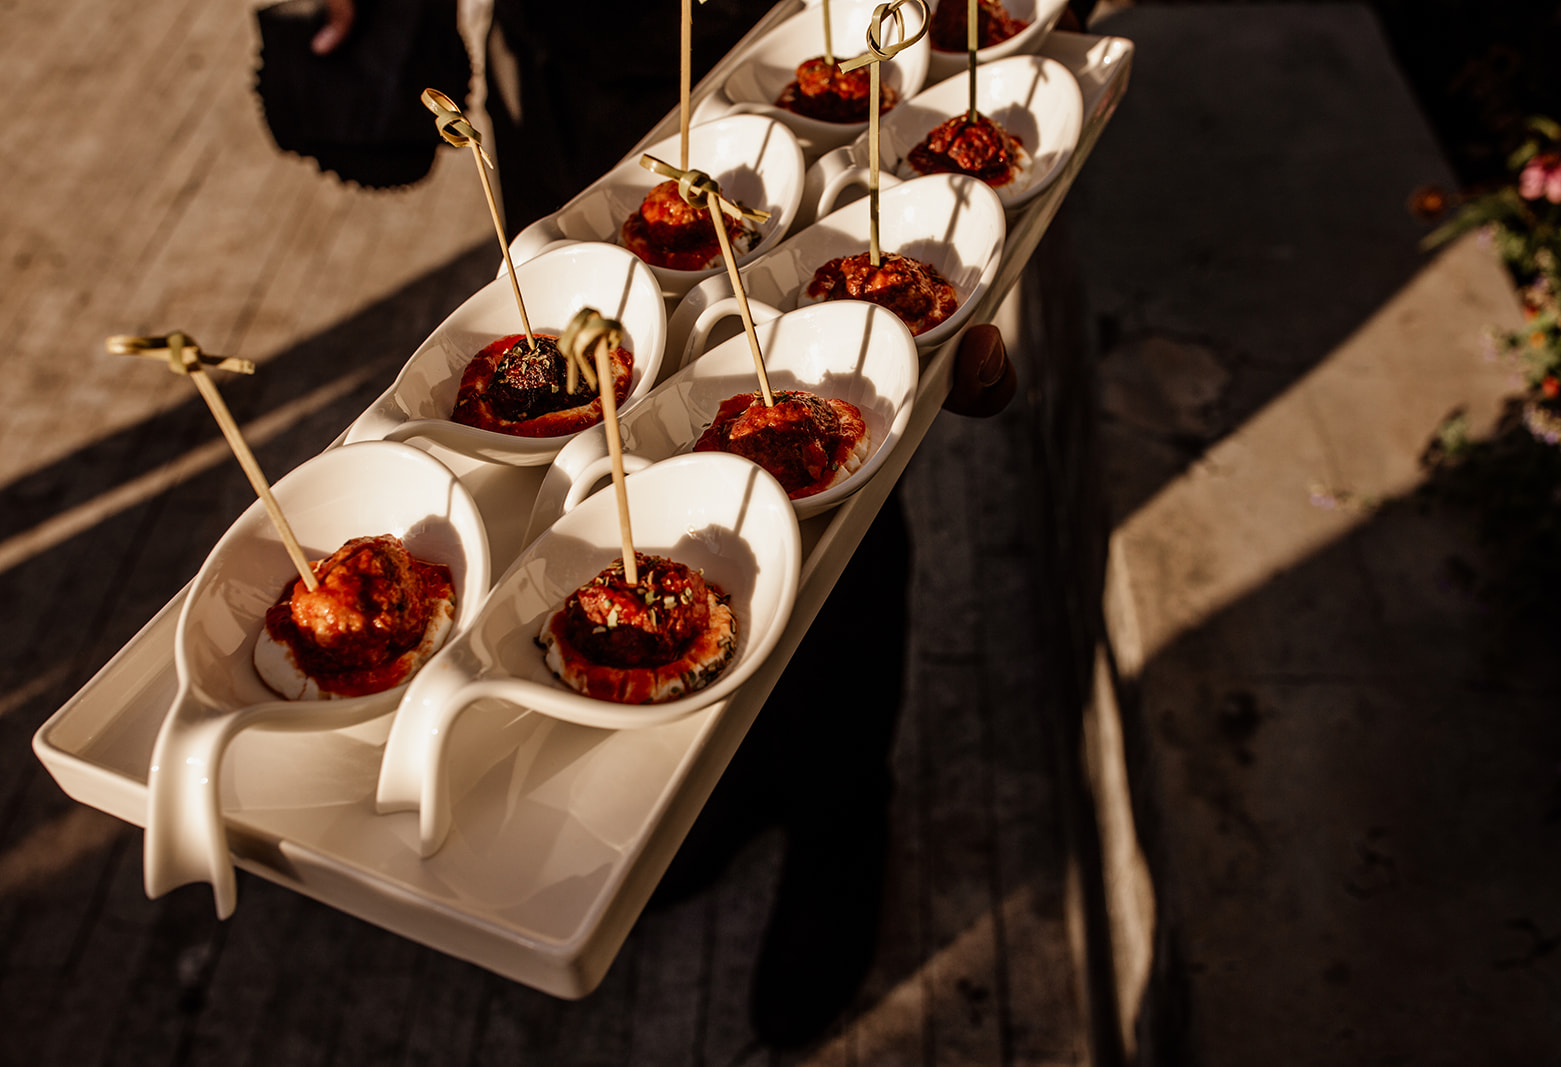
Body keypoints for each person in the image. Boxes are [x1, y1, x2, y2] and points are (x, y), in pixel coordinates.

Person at [308, 0, 1045, 1045]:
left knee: (791, 462)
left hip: (779, 37)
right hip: (567, 74)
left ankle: (839, 807)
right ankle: (732, 777)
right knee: (631, 457)